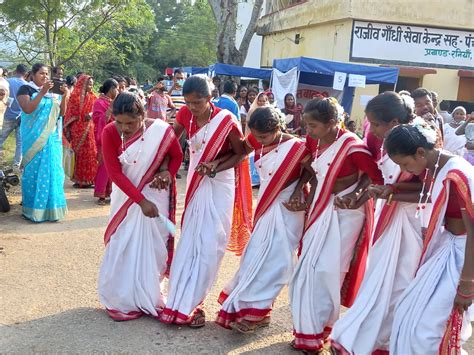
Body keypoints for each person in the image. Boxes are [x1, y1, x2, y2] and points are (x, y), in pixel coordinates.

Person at [330, 92, 425, 354]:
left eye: (377, 124)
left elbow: (427, 187)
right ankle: (364, 336)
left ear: (394, 122)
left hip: (411, 217)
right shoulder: (376, 136)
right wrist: (360, 196)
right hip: (386, 210)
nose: (372, 129)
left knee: (401, 280)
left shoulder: (419, 138)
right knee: (379, 276)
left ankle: (388, 339)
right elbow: (372, 173)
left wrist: (391, 191)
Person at [287, 97, 383, 353]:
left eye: (313, 126)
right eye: (306, 125)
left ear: (332, 123)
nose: (308, 131)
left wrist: (357, 195)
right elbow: (311, 168)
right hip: (319, 209)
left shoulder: (352, 147)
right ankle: (306, 331)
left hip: (345, 215)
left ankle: (322, 328)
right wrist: (300, 190)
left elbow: (374, 178)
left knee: (328, 272)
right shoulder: (313, 141)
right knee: (307, 270)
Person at [160, 75, 246, 328]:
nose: (193, 107)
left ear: (210, 98)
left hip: (219, 183)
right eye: (188, 102)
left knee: (211, 244)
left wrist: (216, 166)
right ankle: (181, 302)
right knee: (190, 241)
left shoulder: (226, 120)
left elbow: (240, 153)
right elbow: (170, 141)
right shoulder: (185, 115)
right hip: (197, 182)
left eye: (197, 102)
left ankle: (196, 301)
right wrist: (165, 167)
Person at [216, 106, 309, 333]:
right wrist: (216, 166)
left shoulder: (298, 147)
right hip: (267, 208)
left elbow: (312, 172)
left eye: (264, 137)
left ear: (278, 128)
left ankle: (257, 312)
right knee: (254, 257)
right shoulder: (257, 139)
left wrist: (299, 191)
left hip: (289, 208)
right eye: (256, 136)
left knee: (276, 263)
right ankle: (255, 310)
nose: (259, 141)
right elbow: (239, 152)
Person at [386, 123, 474, 354]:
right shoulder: (434, 167)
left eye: (405, 164)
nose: (406, 169)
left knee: (428, 329)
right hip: (448, 247)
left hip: (463, 255)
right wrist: (392, 191)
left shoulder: (457, 174)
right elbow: (427, 196)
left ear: (421, 152)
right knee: (409, 313)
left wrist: (466, 284)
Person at [98, 92, 183, 321]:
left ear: (143, 116)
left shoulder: (161, 131)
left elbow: (177, 156)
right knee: (122, 243)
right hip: (127, 198)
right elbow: (115, 173)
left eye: (130, 123)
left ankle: (149, 293)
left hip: (156, 194)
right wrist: (140, 201)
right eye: (119, 122)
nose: (124, 128)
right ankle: (122, 298)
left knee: (154, 246)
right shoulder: (109, 132)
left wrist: (167, 173)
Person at [17, 63, 69, 222]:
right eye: (41, 73)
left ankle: (53, 210)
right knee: (34, 172)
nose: (45, 77)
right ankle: (33, 210)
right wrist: (42, 92)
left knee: (53, 172)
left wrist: (65, 96)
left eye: (47, 74)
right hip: (34, 139)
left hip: (52, 139)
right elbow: (27, 109)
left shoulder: (53, 93)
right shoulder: (26, 89)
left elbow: (62, 113)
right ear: (32, 74)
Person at [64, 74, 98, 187]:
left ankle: (89, 179)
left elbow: (97, 110)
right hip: (77, 128)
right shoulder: (75, 96)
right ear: (82, 84)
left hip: (90, 128)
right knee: (78, 154)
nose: (90, 87)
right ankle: (78, 179)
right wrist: (81, 116)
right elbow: (70, 113)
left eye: (92, 85)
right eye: (89, 84)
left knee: (90, 153)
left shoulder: (93, 96)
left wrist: (92, 114)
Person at [93, 78, 119, 205]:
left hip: (116, 136)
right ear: (111, 89)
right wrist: (110, 109)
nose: (118, 91)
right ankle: (101, 194)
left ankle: (111, 192)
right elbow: (97, 119)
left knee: (115, 164)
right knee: (104, 165)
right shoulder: (99, 102)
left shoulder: (114, 102)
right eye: (117, 88)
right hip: (103, 136)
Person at [0, 64, 28, 170]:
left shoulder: (7, 82)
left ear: (16, 71)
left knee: (1, 138)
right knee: (20, 143)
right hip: (21, 117)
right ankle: (16, 166)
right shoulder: (26, 85)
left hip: (8, 115)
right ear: (25, 74)